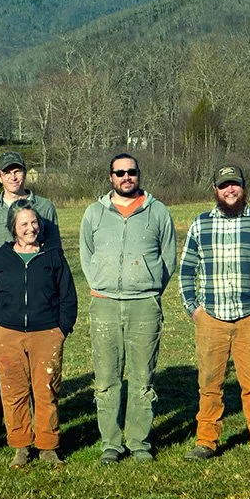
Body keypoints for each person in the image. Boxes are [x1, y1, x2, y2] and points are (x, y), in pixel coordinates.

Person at [179, 163, 250, 466]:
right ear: (215, 189)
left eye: (235, 184)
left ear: (244, 187)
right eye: (224, 185)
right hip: (211, 317)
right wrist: (194, 309)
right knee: (209, 385)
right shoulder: (201, 224)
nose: (230, 190)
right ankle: (206, 441)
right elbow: (186, 271)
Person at [79, 153, 177, 464]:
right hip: (105, 304)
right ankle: (111, 443)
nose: (126, 177)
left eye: (131, 172)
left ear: (138, 174)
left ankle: (139, 443)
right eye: (119, 172)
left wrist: (149, 287)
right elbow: (86, 255)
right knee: (106, 378)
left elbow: (168, 257)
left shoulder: (158, 212)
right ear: (111, 177)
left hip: (144, 305)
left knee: (142, 377)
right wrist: (100, 283)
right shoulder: (94, 213)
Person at [0, 202, 77, 469]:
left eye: (34, 222)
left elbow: (68, 296)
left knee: (46, 391)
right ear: (13, 228)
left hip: (46, 333)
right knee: (14, 392)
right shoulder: (1, 258)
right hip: (7, 334)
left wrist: (61, 330)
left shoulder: (53, 255)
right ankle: (21, 446)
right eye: (23, 224)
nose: (30, 228)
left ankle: (48, 446)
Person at [0, 149, 59, 446]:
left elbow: (55, 255)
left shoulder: (44, 207)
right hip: (1, 299)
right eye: (7, 171)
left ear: (25, 172)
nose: (13, 176)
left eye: (18, 170)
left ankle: (39, 431)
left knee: (39, 374)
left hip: (37, 304)